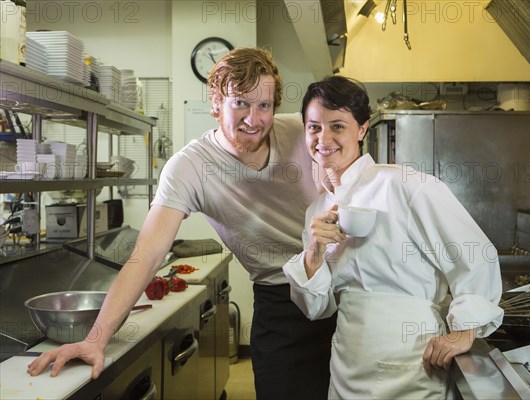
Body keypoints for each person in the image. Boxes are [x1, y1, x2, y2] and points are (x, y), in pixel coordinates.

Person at [27, 48, 336, 400]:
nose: (254, 118)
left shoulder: (304, 132)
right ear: (217, 102)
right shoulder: (189, 167)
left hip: (343, 284)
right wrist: (95, 339)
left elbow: (359, 178)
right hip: (281, 298)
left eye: (264, 106)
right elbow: (147, 253)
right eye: (240, 103)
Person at [282, 76, 504, 399]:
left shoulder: (404, 185)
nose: (323, 138)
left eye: (337, 126)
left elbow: (476, 253)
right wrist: (314, 253)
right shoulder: (317, 210)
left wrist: (466, 331)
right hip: (349, 364)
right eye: (314, 127)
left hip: (412, 363)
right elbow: (317, 307)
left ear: (362, 129)